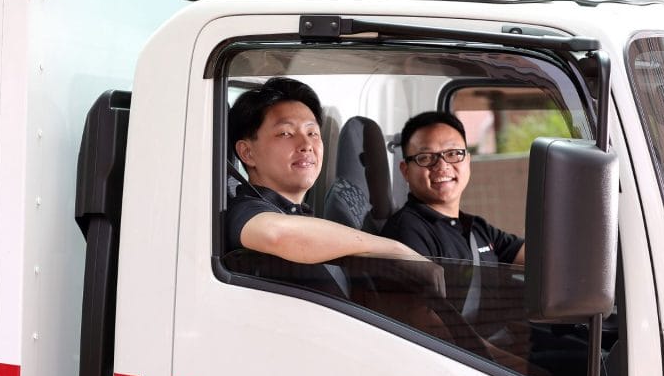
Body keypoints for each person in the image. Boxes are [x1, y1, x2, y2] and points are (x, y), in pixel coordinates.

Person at [225, 77, 420, 263]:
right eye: (286, 133)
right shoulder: (245, 210)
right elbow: (274, 234)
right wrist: (396, 250)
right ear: (248, 153)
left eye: (312, 133)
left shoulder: (299, 214)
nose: (307, 144)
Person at [381, 111, 525, 265]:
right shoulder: (408, 231)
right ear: (405, 171)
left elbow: (541, 256)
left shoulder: (477, 228)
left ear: (467, 161)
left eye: (453, 153)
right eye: (426, 157)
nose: (442, 166)